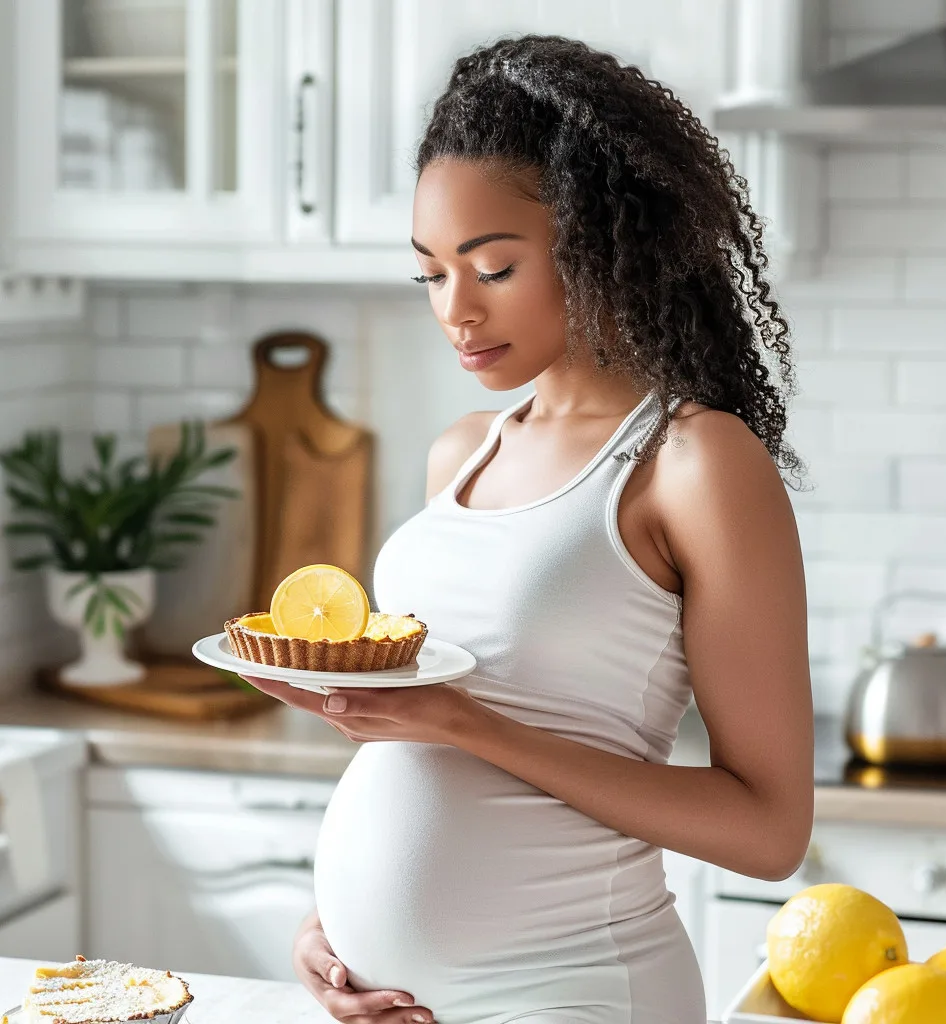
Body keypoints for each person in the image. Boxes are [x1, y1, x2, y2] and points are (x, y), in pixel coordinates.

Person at [242, 33, 814, 1024]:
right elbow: (417, 749)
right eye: (429, 274)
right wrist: (332, 925)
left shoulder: (693, 462)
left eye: (493, 266)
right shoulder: (461, 451)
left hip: (575, 992)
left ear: (597, 240)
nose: (456, 312)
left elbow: (769, 831)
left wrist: (465, 722)